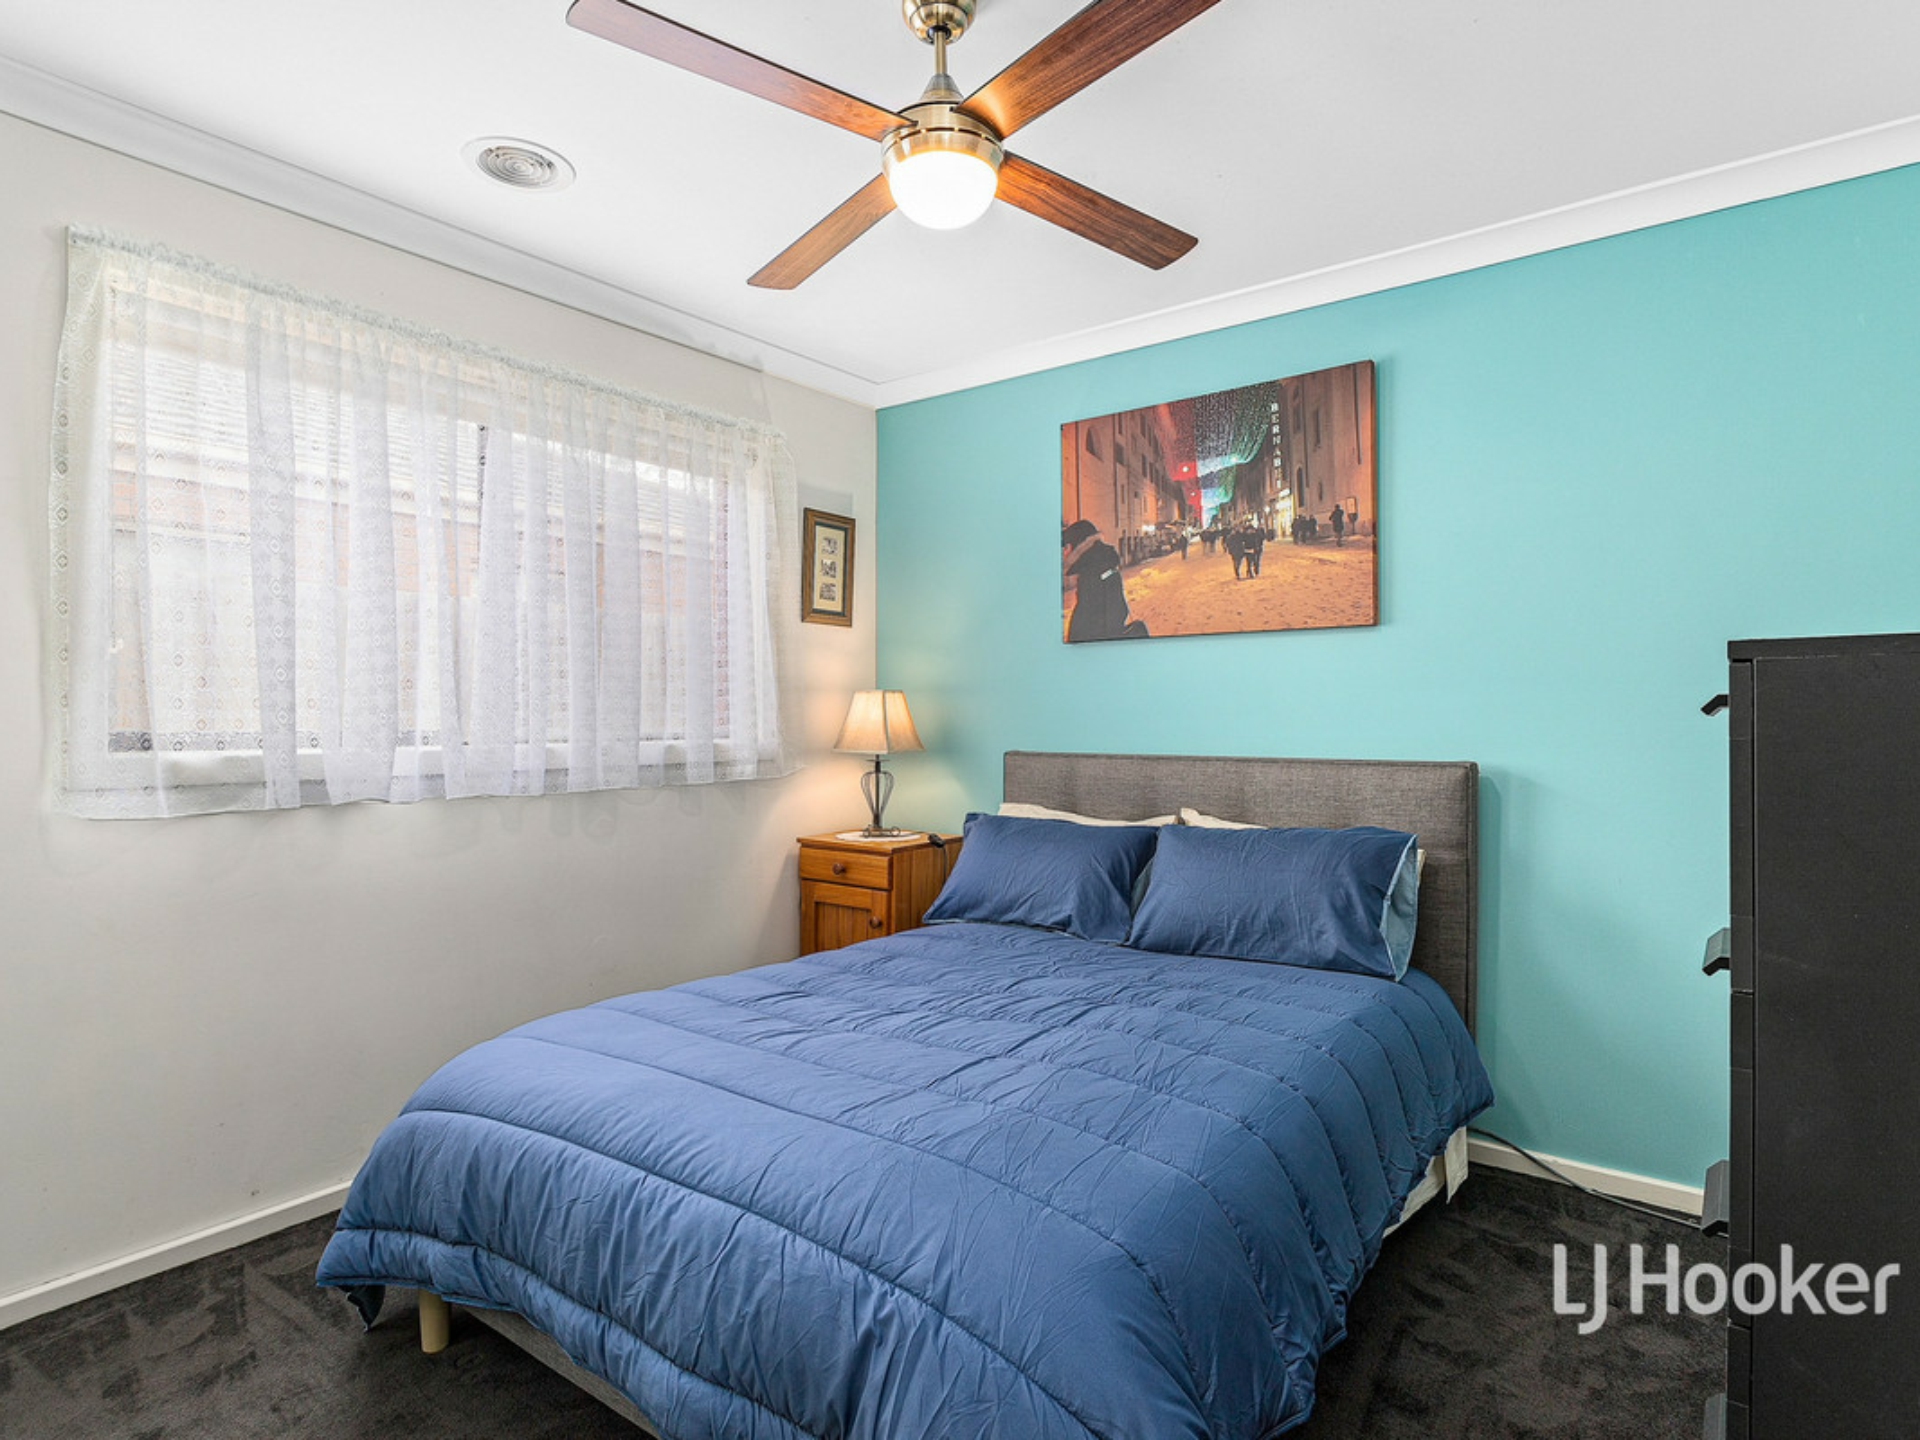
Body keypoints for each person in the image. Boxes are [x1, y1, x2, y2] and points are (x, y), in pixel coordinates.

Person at [1062, 520, 1145, 641]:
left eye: (1066, 547)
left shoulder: (1094, 573)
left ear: (1077, 545)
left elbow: (1092, 622)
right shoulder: (1100, 566)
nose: (1064, 553)